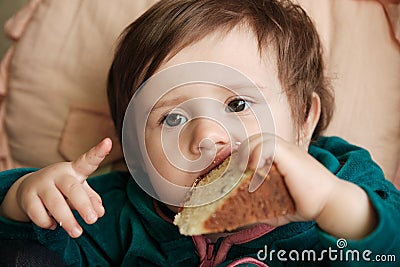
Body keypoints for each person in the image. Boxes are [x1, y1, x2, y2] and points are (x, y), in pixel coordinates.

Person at [0, 0, 399, 266]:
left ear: (304, 121)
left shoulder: (345, 180)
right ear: (136, 156)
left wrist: (335, 205)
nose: (207, 135)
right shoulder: (114, 214)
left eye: (238, 105)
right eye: (172, 119)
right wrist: (23, 200)